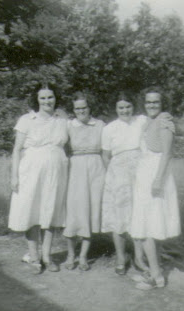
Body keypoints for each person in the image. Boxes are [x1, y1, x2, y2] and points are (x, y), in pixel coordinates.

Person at [8, 82, 68, 273]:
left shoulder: (62, 119)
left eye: (50, 97)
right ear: (37, 99)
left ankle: (47, 256)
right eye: (42, 97)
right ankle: (34, 256)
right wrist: (14, 176)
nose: (47, 101)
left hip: (56, 170)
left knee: (50, 212)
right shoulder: (27, 119)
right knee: (31, 211)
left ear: (56, 98)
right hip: (31, 170)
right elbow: (17, 149)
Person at [131, 87, 181, 289]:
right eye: (148, 102)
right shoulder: (149, 122)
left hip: (156, 175)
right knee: (149, 225)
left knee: (146, 227)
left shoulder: (165, 122)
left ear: (162, 104)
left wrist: (158, 179)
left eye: (156, 102)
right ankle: (155, 271)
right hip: (145, 175)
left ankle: (156, 276)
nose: (152, 105)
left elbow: (167, 154)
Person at [101, 92, 149, 275]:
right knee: (119, 215)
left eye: (128, 106)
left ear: (133, 107)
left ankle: (139, 257)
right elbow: (105, 156)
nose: (125, 110)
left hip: (140, 170)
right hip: (118, 173)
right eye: (121, 107)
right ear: (116, 109)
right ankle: (121, 257)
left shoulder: (141, 121)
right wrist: (113, 175)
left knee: (138, 213)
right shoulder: (109, 128)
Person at [63, 92, 105, 271]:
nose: (81, 111)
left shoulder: (101, 125)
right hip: (76, 169)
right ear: (73, 110)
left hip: (96, 168)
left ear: (90, 108)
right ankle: (71, 254)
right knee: (73, 212)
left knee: (91, 210)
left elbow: (107, 149)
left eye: (84, 107)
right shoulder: (68, 125)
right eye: (77, 108)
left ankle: (83, 257)